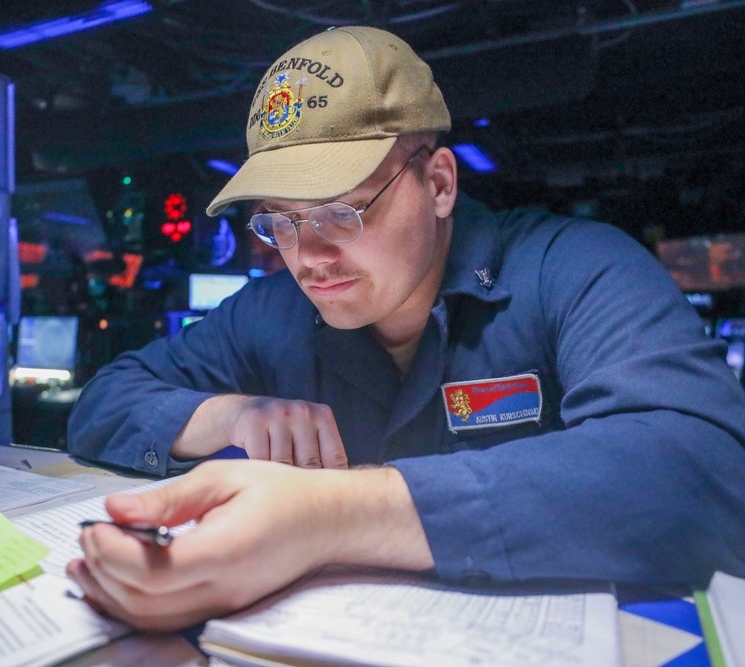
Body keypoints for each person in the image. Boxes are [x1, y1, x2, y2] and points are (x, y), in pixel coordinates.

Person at [65, 26, 745, 631]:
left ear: (440, 183)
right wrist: (226, 414)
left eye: (340, 212)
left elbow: (703, 470)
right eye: (281, 219)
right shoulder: (268, 309)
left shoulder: (574, 268)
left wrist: (329, 515)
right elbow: (105, 398)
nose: (307, 256)